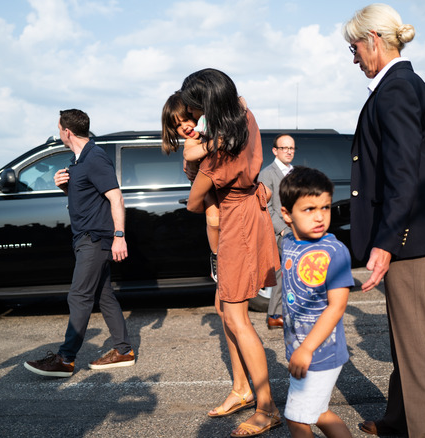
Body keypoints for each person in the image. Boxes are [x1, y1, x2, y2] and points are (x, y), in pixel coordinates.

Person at [343, 4, 425, 437]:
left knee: (415, 342)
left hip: (407, 238)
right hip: (410, 234)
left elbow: (403, 175)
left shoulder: (396, 90)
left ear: (373, 39)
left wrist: (386, 241)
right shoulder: (402, 85)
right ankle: (399, 421)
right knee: (402, 334)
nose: (353, 57)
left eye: (354, 47)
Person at [181, 68, 282, 438]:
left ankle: (267, 407)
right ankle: (241, 388)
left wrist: (199, 155)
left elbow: (193, 202)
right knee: (225, 307)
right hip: (244, 213)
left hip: (236, 220)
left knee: (237, 314)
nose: (193, 114)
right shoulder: (244, 118)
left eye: (196, 106)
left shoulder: (220, 152)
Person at [24, 109, 135, 377]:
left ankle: (65, 359)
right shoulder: (78, 161)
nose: (59, 132)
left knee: (79, 296)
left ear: (67, 132)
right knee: (103, 295)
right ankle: (123, 350)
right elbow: (88, 198)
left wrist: (119, 236)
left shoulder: (95, 158)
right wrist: (65, 186)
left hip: (95, 239)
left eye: (59, 128)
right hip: (86, 238)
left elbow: (116, 198)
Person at [278, 166, 354, 438]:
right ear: (287, 215)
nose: (320, 216)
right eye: (309, 209)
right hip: (301, 349)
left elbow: (337, 306)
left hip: (320, 353)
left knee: (297, 420)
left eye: (325, 207)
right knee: (318, 413)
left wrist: (307, 349)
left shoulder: (334, 251)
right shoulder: (288, 242)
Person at [161, 92, 220, 280]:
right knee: (213, 219)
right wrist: (191, 159)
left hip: (223, 188)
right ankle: (216, 256)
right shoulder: (192, 141)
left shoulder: (213, 127)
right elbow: (189, 153)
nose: (184, 127)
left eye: (186, 119)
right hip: (208, 189)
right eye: (177, 125)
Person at [258, 133, 296, 329]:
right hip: (281, 232)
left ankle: (292, 312)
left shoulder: (295, 172)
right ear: (275, 150)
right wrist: (282, 230)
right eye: (284, 148)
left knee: (297, 273)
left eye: (291, 148)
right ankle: (274, 315)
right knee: (284, 273)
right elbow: (265, 206)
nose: (289, 151)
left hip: (298, 228)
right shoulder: (267, 173)